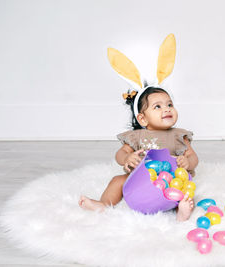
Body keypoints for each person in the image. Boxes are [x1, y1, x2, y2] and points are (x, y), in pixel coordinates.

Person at [79, 86, 198, 221]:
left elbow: (193, 156)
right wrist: (127, 158)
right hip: (141, 180)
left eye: (169, 104)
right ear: (142, 119)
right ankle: (104, 204)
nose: (167, 108)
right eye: (158, 106)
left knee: (186, 192)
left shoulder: (179, 135)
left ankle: (182, 212)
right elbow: (121, 153)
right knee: (117, 181)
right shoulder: (137, 136)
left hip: (171, 181)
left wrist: (188, 162)